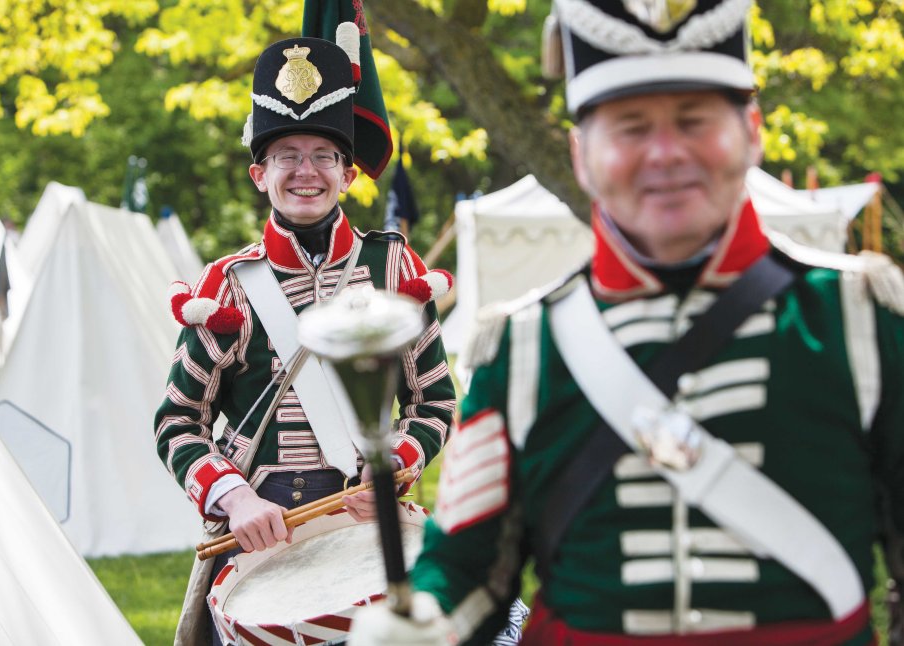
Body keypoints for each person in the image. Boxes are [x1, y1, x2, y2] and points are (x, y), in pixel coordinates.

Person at [348, 1, 904, 644]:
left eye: (694, 120)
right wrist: (429, 624)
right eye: (631, 127)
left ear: (752, 131)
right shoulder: (524, 345)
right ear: (582, 155)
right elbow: (471, 570)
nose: (665, 153)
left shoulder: (860, 317)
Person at [154, 32, 456, 646]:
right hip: (259, 528)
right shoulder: (229, 284)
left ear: (347, 174)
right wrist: (234, 499)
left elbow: (436, 402)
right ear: (259, 173)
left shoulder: (395, 269)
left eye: (322, 154)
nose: (305, 170)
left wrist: (390, 468)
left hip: (370, 515)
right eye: (286, 154)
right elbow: (176, 421)